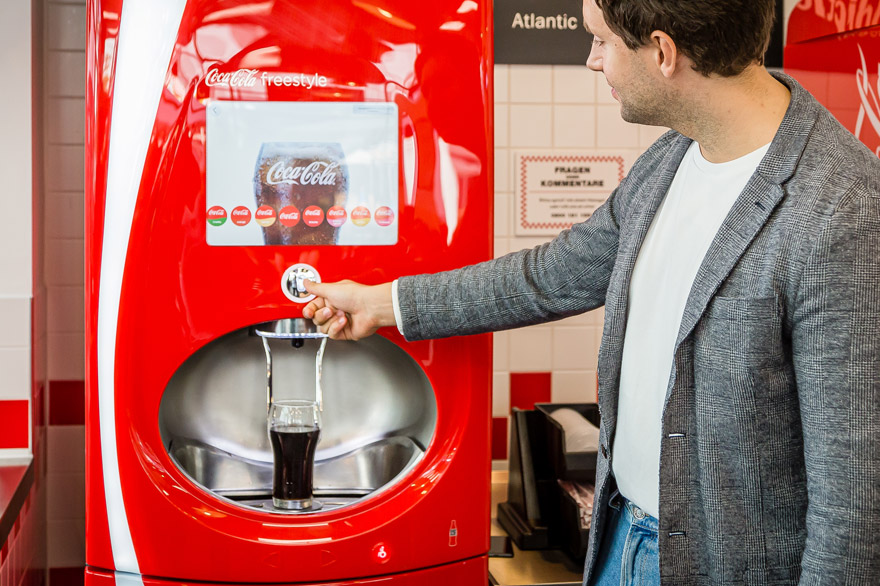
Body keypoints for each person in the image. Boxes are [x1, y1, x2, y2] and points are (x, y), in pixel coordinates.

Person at [303, 0, 880, 583]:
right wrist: (384, 303)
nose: (591, 60)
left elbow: (853, 503)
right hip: (618, 536)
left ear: (662, 52)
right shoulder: (672, 159)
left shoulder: (842, 208)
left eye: (601, 41)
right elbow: (552, 275)